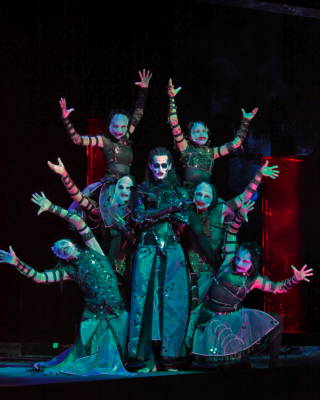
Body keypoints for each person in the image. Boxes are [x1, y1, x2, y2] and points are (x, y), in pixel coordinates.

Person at [0, 192, 130, 376]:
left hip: (116, 312)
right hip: (94, 316)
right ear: (61, 257)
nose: (61, 247)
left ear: (72, 242)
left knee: (114, 353)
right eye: (58, 250)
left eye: (62, 243)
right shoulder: (70, 272)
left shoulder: (94, 250)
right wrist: (17, 263)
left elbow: (77, 220)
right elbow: (39, 277)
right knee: (88, 353)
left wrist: (51, 207)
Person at [189, 206, 314, 369]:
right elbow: (231, 233)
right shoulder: (228, 263)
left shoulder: (254, 280)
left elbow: (278, 288)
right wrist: (240, 216)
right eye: (239, 258)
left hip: (233, 319)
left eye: (246, 262)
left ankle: (274, 365)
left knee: (276, 320)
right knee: (217, 361)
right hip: (211, 319)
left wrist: (295, 279)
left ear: (253, 264)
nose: (240, 263)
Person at [128, 147, 191, 372]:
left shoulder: (179, 191)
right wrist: (168, 209)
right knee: (144, 303)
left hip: (172, 250)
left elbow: (183, 218)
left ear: (170, 166)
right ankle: (145, 358)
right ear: (150, 165)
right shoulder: (141, 189)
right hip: (146, 249)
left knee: (173, 303)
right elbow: (138, 218)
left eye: (164, 165)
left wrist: (156, 212)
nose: (160, 169)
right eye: (156, 165)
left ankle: (169, 358)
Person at [185, 160, 279, 307]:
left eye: (207, 196)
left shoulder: (220, 210)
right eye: (199, 194)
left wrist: (259, 176)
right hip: (185, 269)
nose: (202, 199)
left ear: (213, 199)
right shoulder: (185, 211)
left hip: (210, 271)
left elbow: (243, 198)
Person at [47, 158, 135, 279]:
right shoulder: (99, 208)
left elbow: (133, 239)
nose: (124, 191)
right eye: (121, 187)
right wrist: (64, 175)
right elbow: (77, 196)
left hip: (114, 262)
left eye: (129, 188)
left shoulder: (132, 211)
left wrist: (124, 228)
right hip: (93, 251)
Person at [60, 69, 152, 183]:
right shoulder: (103, 140)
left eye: (123, 127)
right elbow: (77, 140)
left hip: (126, 184)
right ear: (109, 125)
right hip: (110, 184)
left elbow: (138, 114)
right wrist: (66, 120)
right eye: (115, 126)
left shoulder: (126, 136)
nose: (119, 130)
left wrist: (144, 90)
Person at [167, 78, 258, 189]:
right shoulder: (185, 148)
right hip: (187, 196)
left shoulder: (211, 153)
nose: (202, 133)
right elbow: (175, 125)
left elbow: (235, 144)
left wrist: (245, 122)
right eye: (197, 131)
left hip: (206, 195)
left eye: (204, 131)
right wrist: (171, 99)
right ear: (188, 136)